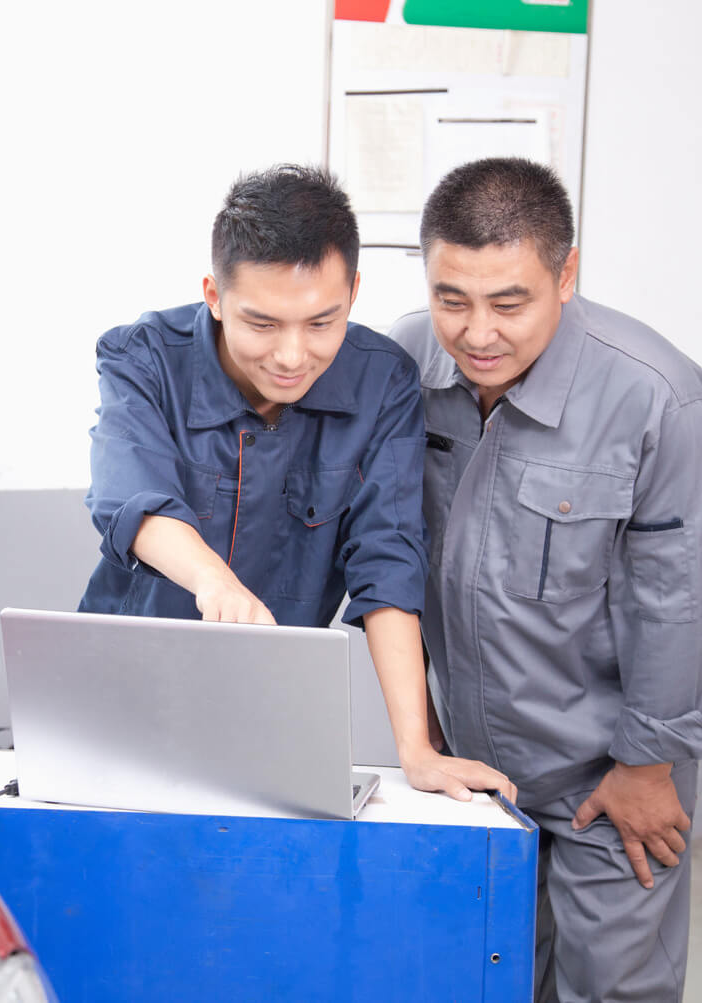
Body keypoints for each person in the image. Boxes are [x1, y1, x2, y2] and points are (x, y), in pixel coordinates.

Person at [391, 157, 702, 1002]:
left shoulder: (656, 397)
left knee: (610, 987)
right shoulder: (402, 364)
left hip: (607, 774)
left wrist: (649, 765)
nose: (477, 333)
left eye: (510, 302)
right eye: (451, 299)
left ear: (566, 273)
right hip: (470, 768)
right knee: (479, 978)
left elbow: (679, 600)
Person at [77, 164, 511, 802]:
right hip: (118, 697)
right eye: (262, 323)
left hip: (272, 711)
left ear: (354, 293)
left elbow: (387, 556)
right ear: (215, 295)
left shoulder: (382, 382)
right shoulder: (142, 357)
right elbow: (130, 499)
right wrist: (215, 582)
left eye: (321, 324)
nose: (290, 355)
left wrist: (415, 749)